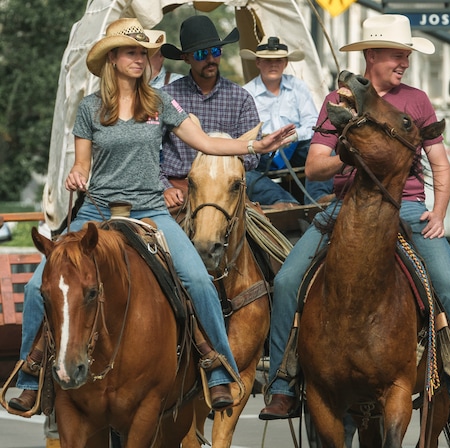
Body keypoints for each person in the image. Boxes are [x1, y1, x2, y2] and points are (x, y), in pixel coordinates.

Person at [6, 17, 296, 415]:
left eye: (144, 52)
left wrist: (257, 145)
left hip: (150, 210)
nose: (140, 58)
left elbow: (206, 142)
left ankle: (217, 368)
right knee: (41, 283)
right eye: (132, 51)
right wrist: (77, 173)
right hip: (96, 211)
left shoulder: (160, 103)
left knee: (197, 279)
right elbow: (83, 164)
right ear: (112, 58)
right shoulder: (90, 108)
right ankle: (30, 374)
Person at [259, 14, 450, 421]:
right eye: (396, 55)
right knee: (285, 281)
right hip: (346, 206)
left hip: (405, 207)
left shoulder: (417, 101)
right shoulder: (339, 102)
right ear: (371, 55)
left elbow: (439, 165)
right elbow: (315, 168)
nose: (404, 63)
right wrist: (346, 155)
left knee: (449, 283)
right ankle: (284, 385)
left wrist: (437, 212)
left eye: (406, 56)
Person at [159, 15, 296, 211]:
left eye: (215, 51)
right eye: (200, 54)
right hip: (180, 186)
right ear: (186, 58)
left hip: (231, 184)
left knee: (282, 207)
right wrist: (165, 187)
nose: (210, 59)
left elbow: (252, 159)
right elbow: (148, 153)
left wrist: (220, 171)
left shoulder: (241, 98)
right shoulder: (167, 96)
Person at [241, 36, 334, 205]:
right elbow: (243, 135)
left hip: (295, 148)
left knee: (323, 147)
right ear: (258, 63)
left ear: (285, 63)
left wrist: (293, 136)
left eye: (278, 60)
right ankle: (283, 201)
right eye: (268, 60)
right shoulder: (245, 93)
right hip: (261, 155)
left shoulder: (298, 86)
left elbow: (314, 124)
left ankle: (319, 196)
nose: (273, 65)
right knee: (243, 172)